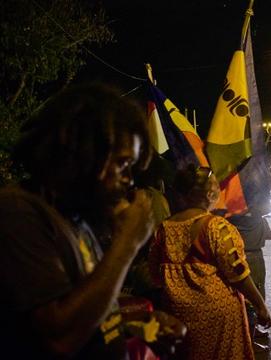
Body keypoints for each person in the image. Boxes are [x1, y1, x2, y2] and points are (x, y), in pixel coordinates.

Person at [0, 84, 184, 359]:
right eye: (123, 164)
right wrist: (127, 243)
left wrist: (132, 325)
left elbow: (87, 304)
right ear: (85, 153)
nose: (129, 180)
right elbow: (59, 338)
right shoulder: (18, 212)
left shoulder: (74, 219)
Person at [149, 165, 271, 360]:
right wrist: (260, 306)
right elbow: (238, 273)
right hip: (217, 319)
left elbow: (155, 275)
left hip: (177, 315)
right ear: (210, 194)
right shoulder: (216, 227)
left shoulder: (164, 229)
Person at [228, 208, 271, 350]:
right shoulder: (247, 213)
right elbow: (268, 206)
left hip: (239, 255)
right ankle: (249, 339)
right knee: (253, 295)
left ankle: (251, 332)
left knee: (245, 295)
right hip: (250, 255)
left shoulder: (230, 213)